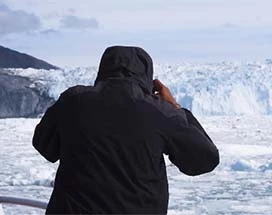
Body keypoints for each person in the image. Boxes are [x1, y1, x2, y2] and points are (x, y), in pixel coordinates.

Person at [33, 46, 219, 214]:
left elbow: (44, 145)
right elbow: (204, 159)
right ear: (147, 75)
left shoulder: (72, 101)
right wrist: (176, 108)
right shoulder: (160, 112)